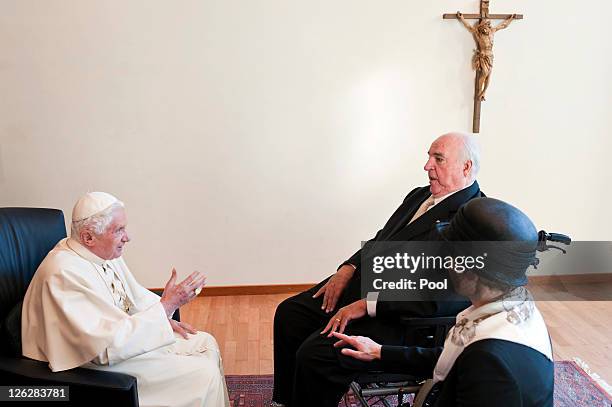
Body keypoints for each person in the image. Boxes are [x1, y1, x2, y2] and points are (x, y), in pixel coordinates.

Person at [273, 132, 484, 407]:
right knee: (291, 314)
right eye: (429, 156)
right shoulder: (419, 195)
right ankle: (286, 401)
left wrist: (368, 304)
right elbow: (381, 239)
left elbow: (442, 296)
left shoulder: (473, 219)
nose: (427, 165)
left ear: (465, 167)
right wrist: (348, 267)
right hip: (367, 283)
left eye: (438, 159)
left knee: (316, 354)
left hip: (400, 316)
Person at [333, 197, 554, 407]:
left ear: (469, 271)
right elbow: (454, 357)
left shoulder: (490, 363)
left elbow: (473, 363)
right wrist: (379, 351)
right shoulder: (514, 309)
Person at [22, 192, 230, 407]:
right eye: (119, 230)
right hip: (90, 367)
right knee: (202, 375)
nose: (127, 237)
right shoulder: (63, 273)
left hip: (121, 343)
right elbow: (101, 349)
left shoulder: (100, 253)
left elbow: (134, 297)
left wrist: (165, 316)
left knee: (206, 343)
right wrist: (167, 305)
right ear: (88, 237)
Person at [456, 12, 516, 101]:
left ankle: (484, 92)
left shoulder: (492, 31)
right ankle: (480, 91)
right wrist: (462, 18)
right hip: (483, 56)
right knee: (484, 73)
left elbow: (503, 25)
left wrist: (510, 19)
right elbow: (469, 27)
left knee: (489, 75)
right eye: (483, 27)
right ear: (481, 27)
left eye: (487, 26)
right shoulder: (478, 34)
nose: (485, 29)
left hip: (490, 56)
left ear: (488, 26)